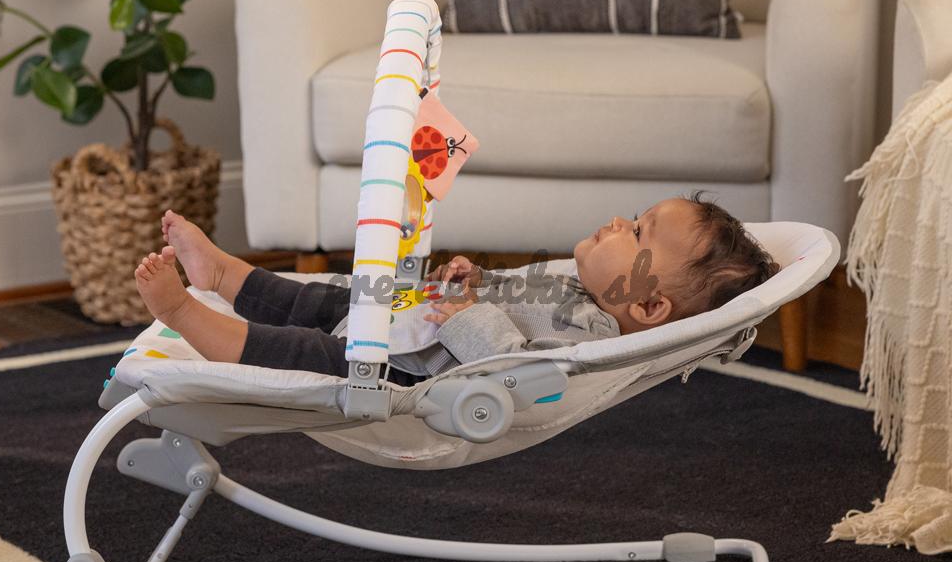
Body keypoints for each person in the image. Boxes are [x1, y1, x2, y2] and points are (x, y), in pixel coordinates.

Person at [133, 190, 779, 387]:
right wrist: (478, 281)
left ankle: (188, 314)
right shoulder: (573, 285)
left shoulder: (595, 335)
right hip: (412, 316)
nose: (617, 221)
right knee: (323, 300)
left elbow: (523, 373)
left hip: (407, 368)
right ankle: (222, 274)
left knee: (305, 351)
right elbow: (513, 300)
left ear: (648, 305)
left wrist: (467, 312)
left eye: (637, 232)